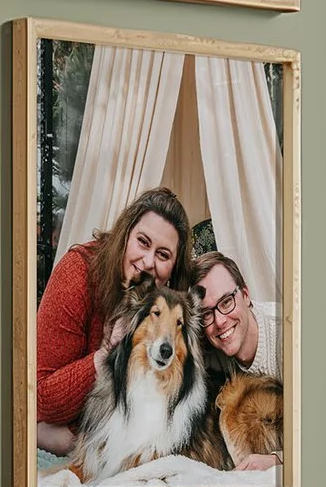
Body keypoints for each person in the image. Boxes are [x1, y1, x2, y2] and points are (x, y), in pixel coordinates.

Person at [33, 187, 193, 456]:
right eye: (143, 242)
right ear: (125, 235)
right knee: (60, 439)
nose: (148, 261)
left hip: (123, 431)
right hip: (70, 421)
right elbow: (41, 399)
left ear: (174, 269)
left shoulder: (174, 306)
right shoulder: (77, 274)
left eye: (163, 255)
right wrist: (106, 354)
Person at [191, 250, 278, 379]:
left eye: (226, 302)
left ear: (246, 296)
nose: (219, 322)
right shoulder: (209, 348)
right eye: (207, 314)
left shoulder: (289, 337)